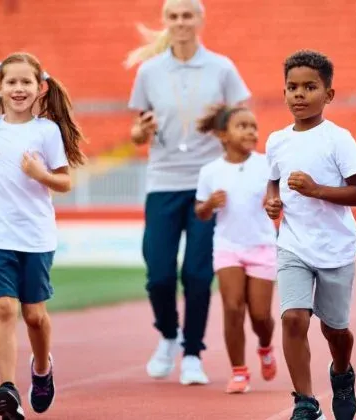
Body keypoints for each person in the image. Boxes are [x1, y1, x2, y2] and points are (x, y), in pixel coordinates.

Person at [125, 0, 252, 385]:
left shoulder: (222, 67)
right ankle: (168, 336)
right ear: (165, 22)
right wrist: (138, 134)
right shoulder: (149, 71)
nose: (180, 22)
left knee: (197, 275)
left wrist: (220, 124)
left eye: (187, 15)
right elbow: (137, 129)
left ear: (200, 20)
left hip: (207, 184)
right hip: (162, 183)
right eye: (173, 16)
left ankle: (193, 353)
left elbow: (242, 120)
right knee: (159, 275)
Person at [0, 52, 86, 420]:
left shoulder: (47, 131)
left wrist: (39, 173)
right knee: (4, 308)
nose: (18, 89)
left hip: (35, 235)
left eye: (26, 82)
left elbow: (64, 181)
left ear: (40, 87)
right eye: (11, 82)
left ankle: (42, 370)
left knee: (34, 316)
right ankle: (7, 389)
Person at [264, 50, 356, 420]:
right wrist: (273, 202)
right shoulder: (277, 141)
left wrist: (316, 190)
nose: (299, 94)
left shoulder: (338, 140)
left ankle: (342, 372)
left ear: (329, 94)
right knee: (294, 317)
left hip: (336, 248)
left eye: (310, 87)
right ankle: (305, 402)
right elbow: (272, 183)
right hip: (293, 244)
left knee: (334, 330)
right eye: (292, 87)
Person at [194, 104, 278, 394]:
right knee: (232, 308)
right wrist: (209, 205)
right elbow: (200, 212)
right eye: (242, 126)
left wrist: (273, 205)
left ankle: (265, 346)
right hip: (228, 246)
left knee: (260, 316)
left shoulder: (267, 164)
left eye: (253, 126)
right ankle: (239, 371)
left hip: (262, 246)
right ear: (223, 135)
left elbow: (277, 199)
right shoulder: (210, 172)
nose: (251, 131)